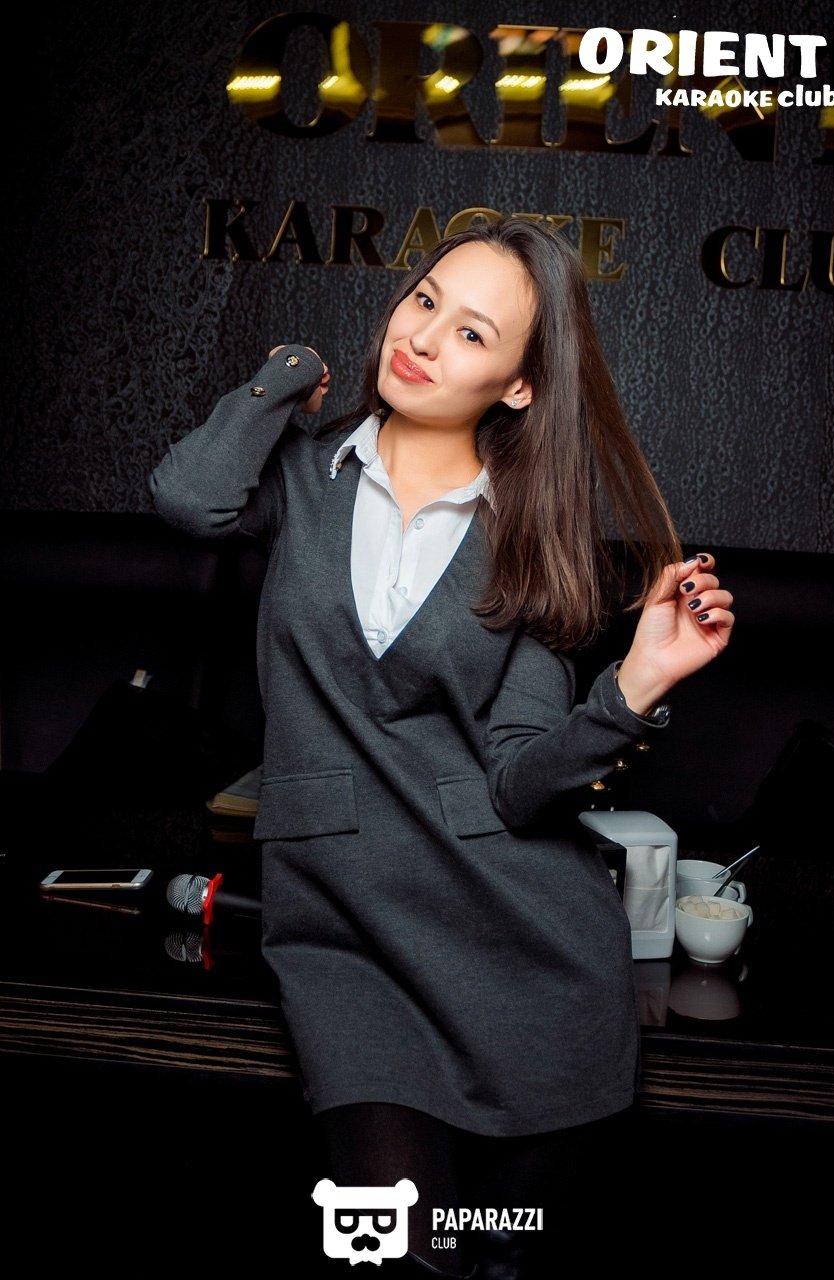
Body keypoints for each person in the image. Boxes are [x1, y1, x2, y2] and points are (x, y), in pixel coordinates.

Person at [149, 217, 733, 1277]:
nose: (421, 337)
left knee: (500, 1253)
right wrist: (287, 375)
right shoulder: (302, 475)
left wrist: (636, 684)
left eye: (471, 333)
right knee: (401, 1250)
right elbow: (187, 499)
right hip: (342, 928)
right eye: (423, 300)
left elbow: (517, 780)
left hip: (519, 934)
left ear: (520, 385)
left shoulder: (528, 538)